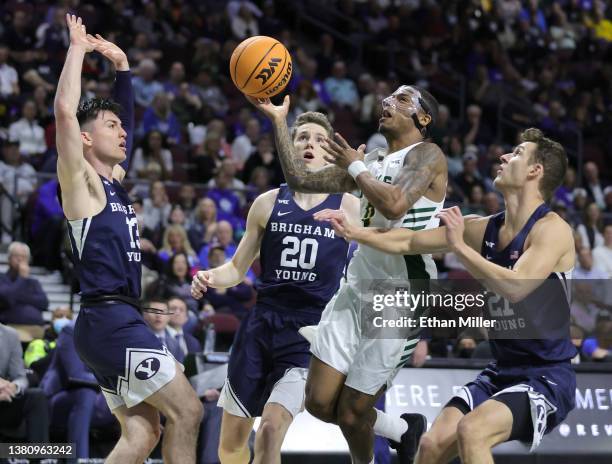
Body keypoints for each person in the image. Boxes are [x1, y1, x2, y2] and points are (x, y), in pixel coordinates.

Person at [319, 128, 577, 463]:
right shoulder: (483, 227)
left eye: (515, 152)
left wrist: (459, 247)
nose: (502, 156)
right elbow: (407, 241)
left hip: (547, 375)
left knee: (473, 431)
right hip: (502, 370)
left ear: (534, 171)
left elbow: (515, 287)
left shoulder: (551, 229)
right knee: (430, 447)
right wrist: (355, 232)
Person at [249, 84, 447, 463]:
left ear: (423, 118)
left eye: (402, 99)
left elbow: (394, 203)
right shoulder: (371, 161)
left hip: (400, 294)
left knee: (352, 411)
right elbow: (300, 180)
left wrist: (355, 168)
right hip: (356, 287)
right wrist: (278, 121)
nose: (387, 101)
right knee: (320, 403)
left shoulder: (427, 154)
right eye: (387, 96)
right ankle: (403, 430)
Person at [54, 16, 202, 464]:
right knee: (189, 411)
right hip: (110, 321)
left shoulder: (113, 179)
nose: (122, 132)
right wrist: (78, 47)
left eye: (122, 125)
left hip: (112, 322)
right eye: (110, 125)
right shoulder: (80, 182)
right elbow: (65, 111)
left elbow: (128, 136)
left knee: (143, 433)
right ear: (85, 138)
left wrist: (124, 71)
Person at [191, 111, 360, 464]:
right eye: (302, 138)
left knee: (270, 428)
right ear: (289, 148)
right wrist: (209, 276)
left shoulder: (349, 205)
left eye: (318, 139)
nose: (309, 144)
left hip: (309, 331)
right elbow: (236, 270)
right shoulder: (267, 202)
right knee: (231, 446)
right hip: (260, 326)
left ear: (331, 152)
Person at [0, 322, 49, 443]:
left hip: (4, 396)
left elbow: (20, 376)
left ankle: (39, 457)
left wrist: (14, 387)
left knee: (36, 396)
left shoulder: (10, 334)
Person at [0, 241, 48, 325]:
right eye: (16, 256)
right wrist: (22, 278)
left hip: (36, 327)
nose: (20, 259)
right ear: (9, 258)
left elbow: (44, 303)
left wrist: (18, 297)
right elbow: (7, 299)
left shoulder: (33, 282)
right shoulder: (2, 278)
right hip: (11, 326)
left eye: (24, 257)